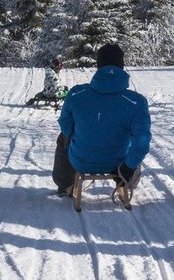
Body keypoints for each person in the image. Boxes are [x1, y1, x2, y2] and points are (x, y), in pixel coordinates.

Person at [52, 43, 151, 196]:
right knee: (135, 141)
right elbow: (142, 141)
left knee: (63, 138)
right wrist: (128, 167)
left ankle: (66, 185)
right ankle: (128, 182)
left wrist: (76, 137)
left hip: (80, 159)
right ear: (122, 66)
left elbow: (65, 124)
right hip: (120, 164)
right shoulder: (137, 102)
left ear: (98, 65)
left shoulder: (77, 94)